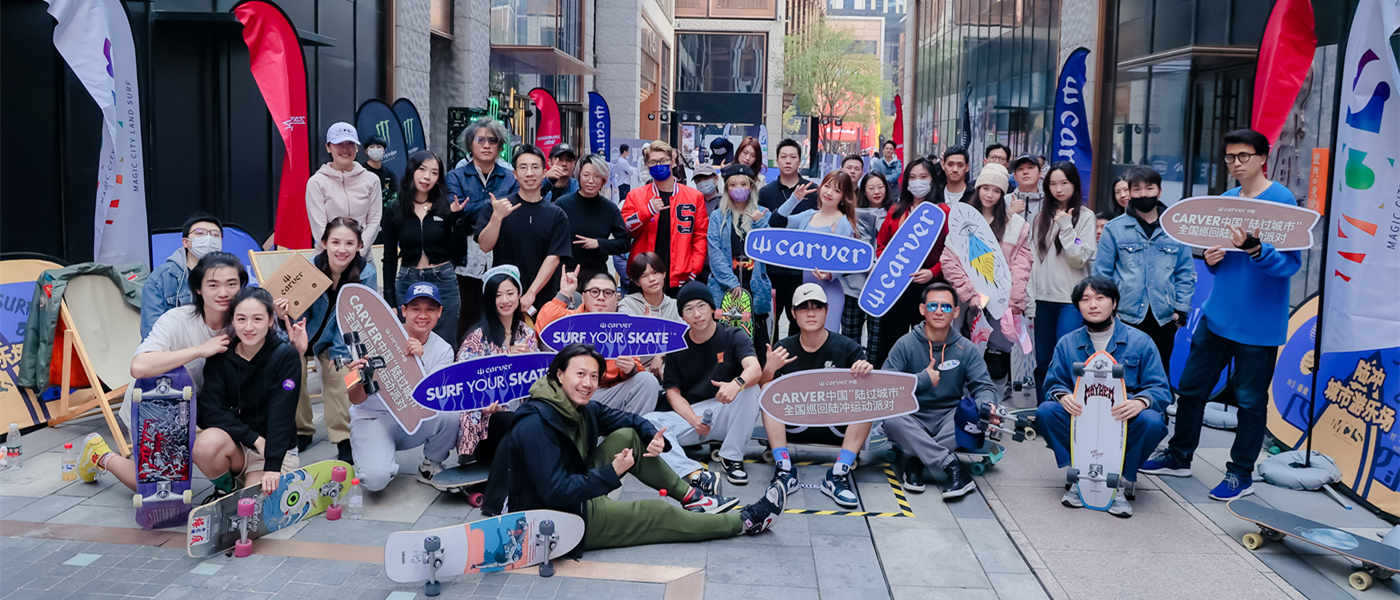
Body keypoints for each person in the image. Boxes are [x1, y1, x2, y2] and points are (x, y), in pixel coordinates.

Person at [1141, 128, 1302, 500]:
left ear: (1263, 157)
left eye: (1244, 156)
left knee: (1250, 402)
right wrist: (1212, 260)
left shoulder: (1281, 200)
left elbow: (1289, 265)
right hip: (1217, 317)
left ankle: (1240, 474)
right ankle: (1179, 456)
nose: (1236, 164)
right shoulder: (1226, 200)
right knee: (1191, 389)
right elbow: (1222, 263)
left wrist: (1256, 249)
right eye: (1230, 157)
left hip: (1258, 324)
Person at [501, 344, 786, 548]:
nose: (588, 383)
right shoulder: (535, 424)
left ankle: (692, 497)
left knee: (629, 435)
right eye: (580, 374)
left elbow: (630, 420)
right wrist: (611, 473)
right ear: (559, 374)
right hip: (556, 520)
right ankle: (745, 522)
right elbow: (554, 492)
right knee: (656, 514)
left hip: (577, 486)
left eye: (593, 376)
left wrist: (653, 437)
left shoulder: (579, 406)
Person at [80, 254, 304, 492]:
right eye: (213, 285)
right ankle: (100, 455)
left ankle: (229, 487)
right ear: (198, 288)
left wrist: (298, 351)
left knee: (208, 457)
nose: (223, 292)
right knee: (157, 488)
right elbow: (139, 366)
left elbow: (276, 362)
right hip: (158, 408)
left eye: (231, 284)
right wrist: (199, 350)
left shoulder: (240, 322)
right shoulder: (177, 320)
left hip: (201, 410)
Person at [1037, 276, 1170, 517]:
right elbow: (1053, 384)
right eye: (1085, 299)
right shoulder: (1067, 343)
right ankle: (1079, 474)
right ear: (1078, 306)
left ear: (1114, 303)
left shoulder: (1141, 342)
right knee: (1046, 411)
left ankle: (1119, 480)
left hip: (1123, 420)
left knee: (1153, 421)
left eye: (1100, 298)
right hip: (1081, 418)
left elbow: (1160, 389)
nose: (1093, 305)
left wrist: (1140, 402)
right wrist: (1063, 396)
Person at [759, 284, 875, 508]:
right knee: (767, 391)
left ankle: (839, 474)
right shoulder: (783, 348)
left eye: (817, 307)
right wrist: (769, 369)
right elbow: (763, 389)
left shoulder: (848, 347)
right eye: (804, 308)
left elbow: (868, 387)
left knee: (868, 398)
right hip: (794, 425)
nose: (811, 313)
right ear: (793, 313)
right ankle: (784, 470)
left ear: (827, 311)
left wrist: (865, 371)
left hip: (837, 427)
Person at [883, 282, 997, 498]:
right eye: (932, 305)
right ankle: (951, 465)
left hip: (949, 418)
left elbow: (983, 386)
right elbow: (886, 388)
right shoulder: (905, 344)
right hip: (912, 416)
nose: (938, 311)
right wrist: (921, 380)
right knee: (891, 420)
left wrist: (987, 405)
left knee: (975, 417)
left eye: (945, 307)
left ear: (956, 312)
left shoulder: (966, 348)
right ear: (922, 309)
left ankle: (917, 460)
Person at [346, 282, 462, 490]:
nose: (423, 315)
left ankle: (430, 465)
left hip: (414, 418)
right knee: (375, 481)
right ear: (404, 310)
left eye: (430, 309)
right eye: (416, 308)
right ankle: (374, 455)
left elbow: (432, 398)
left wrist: (417, 362)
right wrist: (359, 375)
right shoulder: (376, 337)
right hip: (373, 418)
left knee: (452, 413)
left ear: (439, 312)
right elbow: (354, 398)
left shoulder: (444, 350)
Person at [646, 281, 764, 485]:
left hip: (726, 410)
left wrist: (736, 384)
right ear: (682, 316)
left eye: (701, 306)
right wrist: (694, 420)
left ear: (712, 308)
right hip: (693, 416)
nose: (697, 314)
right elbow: (673, 392)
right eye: (689, 309)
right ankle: (692, 471)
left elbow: (754, 368)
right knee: (647, 422)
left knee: (751, 389)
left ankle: (732, 457)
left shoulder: (733, 335)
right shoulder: (677, 345)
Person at [287, 217, 378, 462]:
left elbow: (353, 317)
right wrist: (297, 339)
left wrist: (339, 353)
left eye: (349, 243)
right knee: (292, 373)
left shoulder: (366, 274)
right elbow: (297, 310)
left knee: (340, 375)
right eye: (336, 242)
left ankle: (343, 438)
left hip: (337, 340)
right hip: (301, 335)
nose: (342, 249)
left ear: (360, 245)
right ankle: (301, 430)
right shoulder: (308, 269)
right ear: (324, 243)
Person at [940, 164, 1032, 404]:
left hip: (1002, 302)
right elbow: (949, 261)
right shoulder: (963, 220)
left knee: (997, 357)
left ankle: (993, 407)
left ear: (1003, 194)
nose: (990, 195)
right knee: (964, 353)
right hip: (969, 304)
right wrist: (970, 294)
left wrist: (1013, 301)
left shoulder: (1015, 225)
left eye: (996, 190)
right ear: (977, 188)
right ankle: (964, 407)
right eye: (985, 188)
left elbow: (1021, 265)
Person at [1094, 166, 1194, 380]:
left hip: (1163, 319)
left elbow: (1185, 273)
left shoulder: (1175, 229)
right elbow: (1102, 275)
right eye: (1137, 189)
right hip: (1124, 317)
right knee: (1121, 378)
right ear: (1129, 192)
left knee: (1158, 377)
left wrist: (1179, 312)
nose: (1143, 194)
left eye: (1149, 188)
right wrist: (1109, 313)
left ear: (1159, 191)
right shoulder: (1114, 228)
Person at [538, 268, 663, 416]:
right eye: (595, 292)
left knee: (647, 381)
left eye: (608, 293)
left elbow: (636, 365)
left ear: (616, 300)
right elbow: (543, 327)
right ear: (583, 297)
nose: (601, 297)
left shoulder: (622, 328)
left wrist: (631, 369)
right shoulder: (570, 320)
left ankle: (628, 429)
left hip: (606, 391)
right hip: (570, 392)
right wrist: (564, 293)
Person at [454, 266, 538, 480]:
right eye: (498, 295)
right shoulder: (476, 337)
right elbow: (461, 380)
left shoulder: (527, 334)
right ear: (489, 299)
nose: (505, 300)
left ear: (519, 295)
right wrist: (482, 402)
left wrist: (530, 359)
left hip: (520, 411)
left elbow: (538, 380)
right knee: (517, 423)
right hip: (486, 419)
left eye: (510, 293)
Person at [872, 157, 951, 368]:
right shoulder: (896, 211)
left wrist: (933, 272)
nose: (918, 182)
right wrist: (888, 265)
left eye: (923, 177)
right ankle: (888, 379)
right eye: (913, 177)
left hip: (928, 287)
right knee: (891, 339)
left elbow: (952, 253)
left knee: (926, 342)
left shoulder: (944, 213)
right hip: (895, 287)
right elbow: (881, 245)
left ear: (933, 180)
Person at [446, 118, 519, 342]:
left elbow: (515, 209)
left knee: (502, 315)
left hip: (503, 252)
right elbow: (456, 211)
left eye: (493, 140)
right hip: (466, 259)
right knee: (466, 316)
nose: (486, 145)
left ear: (500, 146)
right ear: (470, 144)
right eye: (480, 140)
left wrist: (473, 209)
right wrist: (495, 208)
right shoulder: (455, 176)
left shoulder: (511, 177)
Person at [476, 144, 572, 314]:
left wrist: (531, 293)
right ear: (515, 174)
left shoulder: (557, 214)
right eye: (523, 167)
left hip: (542, 298)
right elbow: (485, 246)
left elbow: (553, 257)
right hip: (504, 297)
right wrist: (497, 218)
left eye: (535, 167)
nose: (529, 173)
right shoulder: (498, 207)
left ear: (544, 172)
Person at [1030, 163, 1098, 404]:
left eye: (1064, 183)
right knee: (1043, 360)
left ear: (1074, 184)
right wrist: (1030, 298)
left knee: (1068, 359)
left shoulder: (1086, 217)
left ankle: (1069, 410)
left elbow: (1079, 257)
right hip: (1042, 299)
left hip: (1070, 301)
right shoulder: (1040, 218)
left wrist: (1067, 227)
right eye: (1052, 184)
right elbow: (1033, 261)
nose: (1058, 189)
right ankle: (1045, 409)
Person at [383, 150, 466, 342]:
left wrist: (457, 220)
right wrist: (389, 298)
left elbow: (458, 253)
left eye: (434, 172)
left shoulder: (446, 207)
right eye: (422, 169)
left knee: (445, 341)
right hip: (408, 279)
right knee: (406, 342)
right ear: (412, 170)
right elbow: (389, 258)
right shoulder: (395, 208)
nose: (427, 176)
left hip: (443, 280)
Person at [776, 171, 861, 333]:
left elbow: (847, 261)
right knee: (805, 339)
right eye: (827, 186)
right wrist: (794, 199)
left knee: (826, 339)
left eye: (837, 190)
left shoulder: (843, 223)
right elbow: (777, 221)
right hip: (804, 289)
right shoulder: (808, 216)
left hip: (830, 291)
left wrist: (830, 274)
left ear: (843, 197)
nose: (829, 193)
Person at [620, 141, 709, 295]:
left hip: (680, 277)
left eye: (663, 161)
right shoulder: (635, 196)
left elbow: (700, 237)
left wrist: (693, 270)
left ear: (673, 162)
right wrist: (647, 211)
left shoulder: (694, 197)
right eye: (653, 162)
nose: (658, 165)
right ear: (647, 165)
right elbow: (626, 230)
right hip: (644, 276)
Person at [706, 164, 773, 354]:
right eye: (733, 185)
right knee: (725, 348)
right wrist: (732, 282)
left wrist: (759, 223)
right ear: (727, 188)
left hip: (755, 288)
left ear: (751, 187)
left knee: (759, 347)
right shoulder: (717, 216)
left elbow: (769, 249)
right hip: (726, 290)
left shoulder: (762, 213)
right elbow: (715, 253)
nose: (738, 189)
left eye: (743, 184)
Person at [758, 139, 816, 339]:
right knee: (770, 325)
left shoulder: (813, 190)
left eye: (793, 157)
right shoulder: (765, 192)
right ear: (777, 160)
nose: (788, 161)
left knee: (799, 324)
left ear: (800, 160)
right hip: (771, 270)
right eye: (783, 157)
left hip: (800, 272)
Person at [141, 214, 223, 339]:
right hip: (175, 347)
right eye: (200, 233)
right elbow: (151, 334)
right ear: (185, 242)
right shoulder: (161, 278)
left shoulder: (230, 275)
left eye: (215, 234)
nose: (208, 238)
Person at [307, 122, 382, 258]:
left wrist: (357, 251)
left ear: (357, 147)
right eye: (339, 144)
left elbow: (374, 221)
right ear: (328, 147)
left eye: (350, 143)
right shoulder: (316, 182)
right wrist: (339, 254)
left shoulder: (372, 180)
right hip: (327, 259)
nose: (345, 149)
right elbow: (319, 227)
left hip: (362, 258)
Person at [555, 153, 631, 285]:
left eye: (597, 176)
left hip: (597, 276)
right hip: (566, 274)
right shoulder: (562, 204)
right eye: (586, 175)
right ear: (579, 176)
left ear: (604, 180)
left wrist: (599, 244)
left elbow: (625, 243)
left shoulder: (610, 209)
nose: (591, 181)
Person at [844, 172, 892, 345]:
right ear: (863, 191)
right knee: (850, 337)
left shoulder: (895, 214)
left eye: (880, 187)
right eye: (871, 188)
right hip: (853, 286)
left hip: (883, 287)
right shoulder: (852, 215)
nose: (876, 192)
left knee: (878, 339)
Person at [362, 135, 398, 233]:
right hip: (365, 222)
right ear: (366, 151)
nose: (375, 150)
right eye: (372, 147)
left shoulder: (389, 173)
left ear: (384, 151)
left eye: (379, 147)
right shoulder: (360, 171)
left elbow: (395, 194)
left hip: (385, 221)